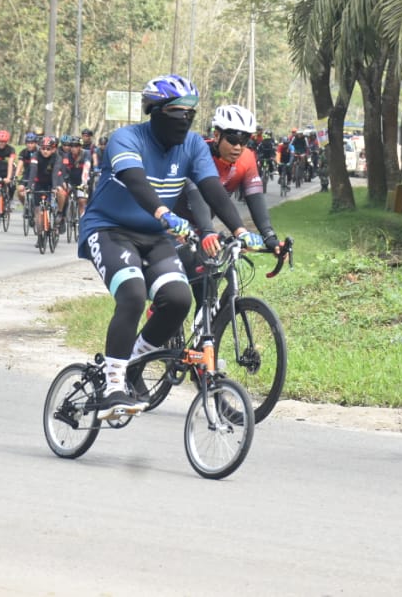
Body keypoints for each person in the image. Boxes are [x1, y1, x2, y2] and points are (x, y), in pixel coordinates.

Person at [77, 74, 259, 416]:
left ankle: (134, 360)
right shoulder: (125, 138)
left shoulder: (191, 145)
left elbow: (212, 190)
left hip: (156, 237)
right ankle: (113, 386)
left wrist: (239, 229)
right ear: (156, 110)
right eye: (178, 112)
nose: (186, 120)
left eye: (191, 113)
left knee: (177, 300)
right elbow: (136, 182)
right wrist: (164, 212)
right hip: (109, 230)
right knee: (132, 293)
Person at [176, 104, 279, 306]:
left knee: (208, 294)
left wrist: (270, 237)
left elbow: (255, 197)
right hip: (173, 225)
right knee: (177, 297)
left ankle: (206, 336)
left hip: (201, 228)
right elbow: (196, 194)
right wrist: (207, 231)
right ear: (216, 135)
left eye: (245, 140)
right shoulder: (198, 152)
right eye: (232, 139)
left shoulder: (247, 159)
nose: (238, 147)